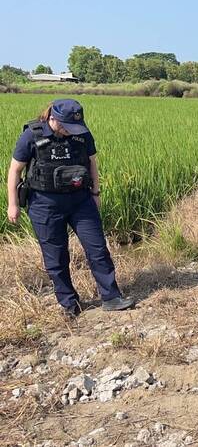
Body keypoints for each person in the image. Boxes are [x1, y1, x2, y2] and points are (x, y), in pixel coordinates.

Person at [6, 99, 134, 318]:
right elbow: (15, 171)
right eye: (65, 126)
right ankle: (69, 304)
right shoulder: (32, 135)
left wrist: (95, 193)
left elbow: (92, 163)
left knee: (97, 249)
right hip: (44, 204)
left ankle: (111, 297)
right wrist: (13, 204)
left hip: (80, 200)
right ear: (52, 118)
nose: (69, 131)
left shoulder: (82, 134)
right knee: (56, 257)